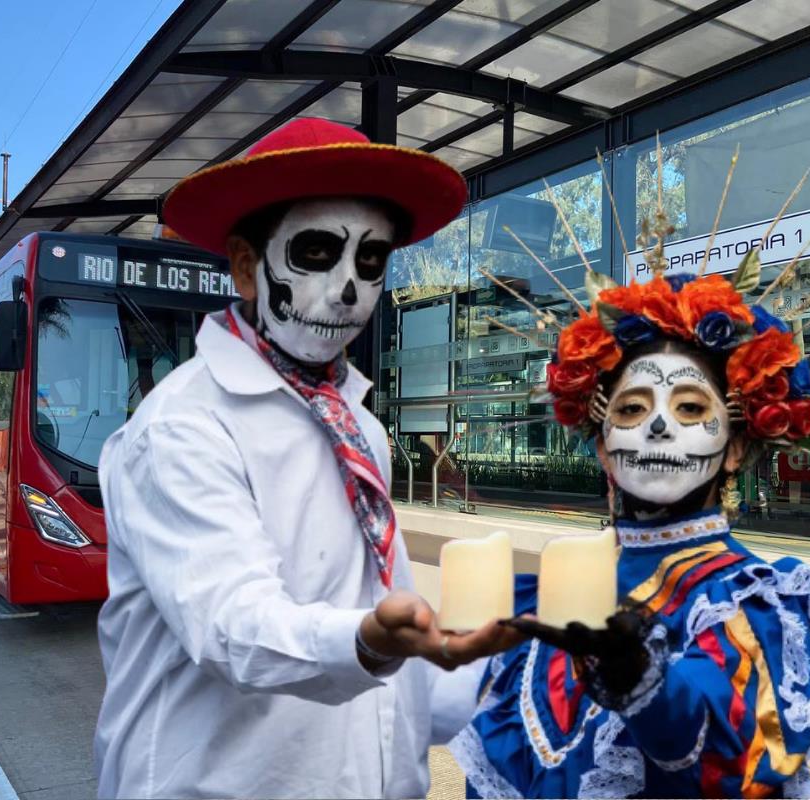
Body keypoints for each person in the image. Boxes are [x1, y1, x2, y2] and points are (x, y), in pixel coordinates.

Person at [94, 118, 522, 799]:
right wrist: (371, 641)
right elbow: (232, 627)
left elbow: (393, 674)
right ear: (244, 266)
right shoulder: (182, 427)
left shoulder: (361, 429)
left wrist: (515, 676)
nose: (349, 290)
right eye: (317, 254)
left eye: (371, 261)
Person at [450, 272, 810, 798]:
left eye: (690, 407)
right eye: (631, 408)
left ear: (735, 447)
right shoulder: (540, 600)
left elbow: (731, 753)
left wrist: (646, 682)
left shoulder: (753, 602)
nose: (659, 427)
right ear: (603, 447)